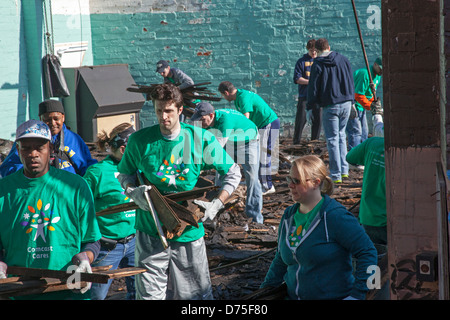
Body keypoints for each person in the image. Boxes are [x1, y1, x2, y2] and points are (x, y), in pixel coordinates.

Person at [116, 83, 241, 300]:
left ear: (180, 110)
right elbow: (124, 174)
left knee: (194, 296)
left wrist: (218, 202)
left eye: (169, 111)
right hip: (150, 229)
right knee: (148, 297)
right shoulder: (140, 141)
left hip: (188, 230)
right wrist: (131, 191)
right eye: (158, 110)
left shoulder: (200, 139)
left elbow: (233, 172)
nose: (163, 116)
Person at [0, 119, 102, 300]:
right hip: (20, 291)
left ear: (51, 150)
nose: (32, 153)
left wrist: (85, 258)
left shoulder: (76, 187)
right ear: (17, 150)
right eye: (26, 148)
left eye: (40, 147)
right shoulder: (4, 190)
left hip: (68, 289)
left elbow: (92, 241)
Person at [260, 155, 377, 300]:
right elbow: (280, 259)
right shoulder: (289, 215)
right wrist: (264, 290)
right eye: (289, 179)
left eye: (297, 181)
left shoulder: (335, 217)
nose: (290, 185)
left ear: (316, 183)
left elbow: (368, 252)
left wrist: (359, 295)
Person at [83, 123, 137, 300]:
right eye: (134, 149)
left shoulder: (136, 169)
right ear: (123, 149)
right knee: (96, 296)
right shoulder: (97, 173)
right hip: (106, 247)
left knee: (138, 293)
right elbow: (80, 208)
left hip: (134, 243)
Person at [190, 102, 263, 224]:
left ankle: (255, 218)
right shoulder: (204, 121)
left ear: (212, 115)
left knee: (252, 178)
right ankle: (215, 211)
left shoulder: (225, 121)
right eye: (198, 119)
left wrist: (199, 165)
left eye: (202, 120)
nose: (200, 123)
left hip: (248, 142)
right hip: (230, 141)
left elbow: (216, 150)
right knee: (221, 174)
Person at [0, 99, 97, 178]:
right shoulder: (28, 140)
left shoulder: (74, 139)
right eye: (47, 120)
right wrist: (31, 173)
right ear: (40, 119)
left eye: (56, 119)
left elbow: (87, 166)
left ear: (63, 117)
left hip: (69, 190)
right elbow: (8, 168)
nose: (52, 123)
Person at [218, 81, 280, 195]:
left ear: (226, 93)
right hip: (261, 125)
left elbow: (245, 120)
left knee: (264, 154)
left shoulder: (243, 98)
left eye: (222, 95)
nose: (223, 98)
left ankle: (267, 186)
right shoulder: (239, 96)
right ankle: (259, 182)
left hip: (268, 123)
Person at [307, 38, 354, 184]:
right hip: (346, 102)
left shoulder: (317, 64)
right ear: (329, 47)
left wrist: (310, 107)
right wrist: (352, 101)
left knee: (333, 139)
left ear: (317, 50)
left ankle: (335, 174)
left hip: (330, 105)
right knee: (341, 136)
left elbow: (313, 87)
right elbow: (350, 79)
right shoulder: (343, 59)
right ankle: (344, 170)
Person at [346, 102, 386, 245]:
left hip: (368, 217)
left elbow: (350, 158)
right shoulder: (406, 152)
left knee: (372, 261)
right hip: (390, 221)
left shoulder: (371, 144)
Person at [346, 57, 383, 151]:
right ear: (375, 64)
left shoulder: (377, 75)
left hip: (361, 107)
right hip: (353, 105)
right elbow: (358, 95)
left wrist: (374, 103)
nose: (382, 71)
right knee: (355, 132)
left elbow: (369, 94)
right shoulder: (365, 74)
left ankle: (363, 155)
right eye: (381, 68)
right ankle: (354, 159)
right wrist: (371, 107)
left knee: (364, 133)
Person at [292, 39, 322, 144]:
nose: (313, 52)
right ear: (307, 50)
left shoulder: (320, 60)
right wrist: (311, 82)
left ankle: (315, 142)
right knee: (301, 119)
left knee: (318, 120)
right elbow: (297, 79)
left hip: (318, 96)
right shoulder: (302, 61)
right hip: (304, 95)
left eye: (315, 50)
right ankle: (296, 141)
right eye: (311, 50)